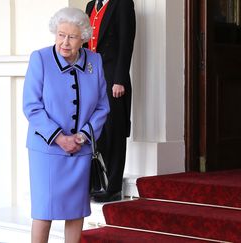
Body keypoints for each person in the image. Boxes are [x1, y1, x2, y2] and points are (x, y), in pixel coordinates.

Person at [22, 7, 110, 243]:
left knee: (76, 210)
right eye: (61, 35)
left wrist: (82, 137)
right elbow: (32, 106)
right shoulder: (40, 59)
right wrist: (60, 138)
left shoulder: (95, 61)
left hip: (80, 151)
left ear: (83, 38)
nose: (65, 42)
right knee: (44, 211)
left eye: (71, 37)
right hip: (47, 151)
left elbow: (103, 106)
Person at [84, 0, 136, 202]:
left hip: (113, 77)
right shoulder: (90, 6)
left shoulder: (122, 3)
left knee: (114, 131)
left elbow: (126, 41)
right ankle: (98, 183)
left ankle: (112, 187)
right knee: (96, 131)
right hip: (91, 77)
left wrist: (120, 79)